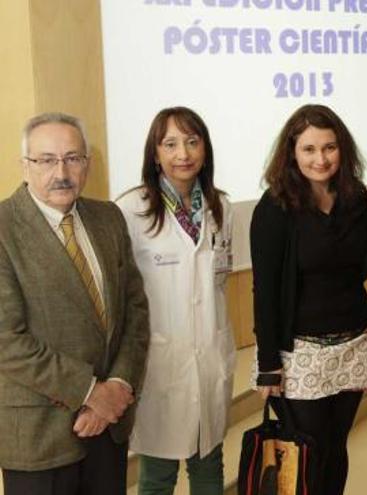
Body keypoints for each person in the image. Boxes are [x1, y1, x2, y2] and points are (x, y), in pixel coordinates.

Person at [0, 112, 150, 494]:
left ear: (87, 163)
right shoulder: (4, 228)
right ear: (25, 165)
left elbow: (134, 311)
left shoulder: (108, 218)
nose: (61, 171)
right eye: (46, 160)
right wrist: (91, 393)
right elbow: (7, 341)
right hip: (40, 435)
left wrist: (117, 385)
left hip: (108, 427)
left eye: (73, 158)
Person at [250, 104, 367, 495]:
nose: (320, 159)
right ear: (292, 152)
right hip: (301, 353)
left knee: (336, 449)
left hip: (354, 345)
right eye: (309, 149)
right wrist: (269, 363)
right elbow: (265, 292)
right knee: (306, 455)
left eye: (329, 148)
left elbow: (361, 264)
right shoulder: (274, 209)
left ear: (343, 149)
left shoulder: (356, 198)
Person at [116, 107, 234, 494]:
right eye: (170, 144)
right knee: (157, 476)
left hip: (210, 357)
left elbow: (218, 286)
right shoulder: (131, 210)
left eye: (192, 141)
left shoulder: (221, 207)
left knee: (209, 467)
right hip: (160, 364)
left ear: (205, 148)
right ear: (155, 154)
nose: (183, 153)